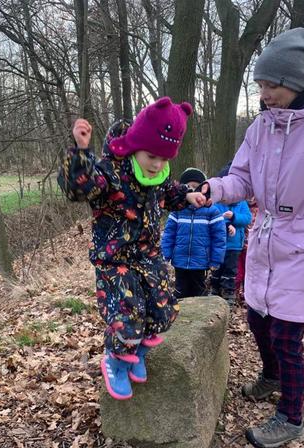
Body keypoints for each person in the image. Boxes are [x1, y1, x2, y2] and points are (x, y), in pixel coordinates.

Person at [200, 28, 304, 448]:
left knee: (287, 338)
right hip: (265, 244)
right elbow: (241, 179)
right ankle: (272, 378)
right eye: (261, 85)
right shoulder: (261, 127)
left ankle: (291, 416)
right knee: (257, 320)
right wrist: (212, 190)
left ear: (295, 82)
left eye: (272, 85)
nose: (264, 93)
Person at [59, 97, 206, 401]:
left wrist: (187, 196)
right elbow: (79, 188)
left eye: (164, 159)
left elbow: (168, 192)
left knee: (161, 307)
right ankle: (115, 360)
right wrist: (81, 153)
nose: (157, 164)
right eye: (151, 156)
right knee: (127, 313)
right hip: (115, 259)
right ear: (136, 146)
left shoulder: (157, 176)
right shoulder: (110, 173)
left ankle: (136, 351)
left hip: (147, 255)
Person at [161, 168, 227, 299]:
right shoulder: (177, 211)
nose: (192, 190)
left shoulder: (212, 212)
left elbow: (219, 238)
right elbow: (169, 234)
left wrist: (215, 259)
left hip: (200, 261)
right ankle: (181, 310)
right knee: (180, 291)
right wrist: (166, 254)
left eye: (196, 187)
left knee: (199, 291)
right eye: (188, 187)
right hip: (180, 260)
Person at [211, 163, 252, 305]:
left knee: (230, 269)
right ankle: (214, 290)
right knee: (217, 268)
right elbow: (213, 217)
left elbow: (247, 218)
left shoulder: (241, 203)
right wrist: (226, 223)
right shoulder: (217, 203)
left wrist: (234, 217)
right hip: (218, 244)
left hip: (234, 245)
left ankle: (229, 293)